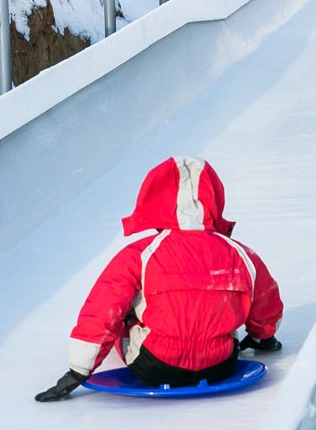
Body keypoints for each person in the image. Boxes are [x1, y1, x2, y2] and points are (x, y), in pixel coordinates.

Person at [35, 156, 284, 402]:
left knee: (124, 305)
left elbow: (102, 311)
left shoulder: (139, 254)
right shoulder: (240, 253)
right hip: (220, 365)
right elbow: (265, 300)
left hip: (154, 365)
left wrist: (78, 370)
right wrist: (264, 337)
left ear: (153, 201)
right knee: (224, 302)